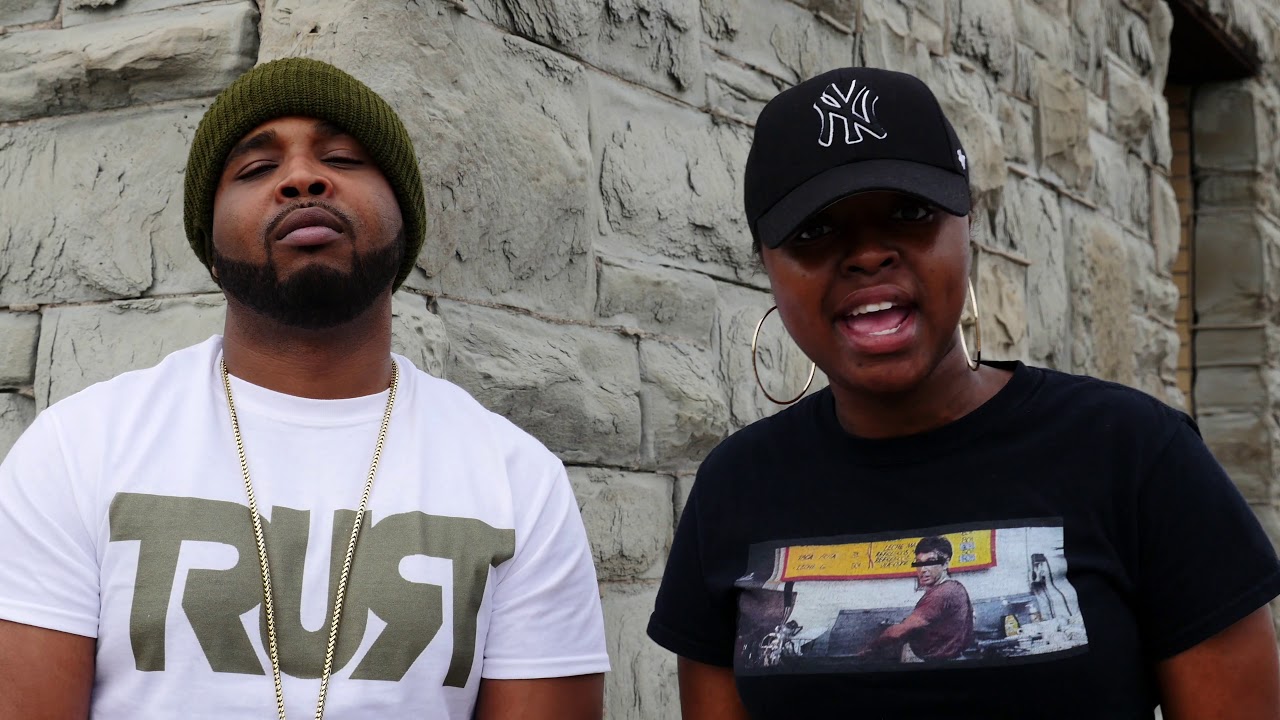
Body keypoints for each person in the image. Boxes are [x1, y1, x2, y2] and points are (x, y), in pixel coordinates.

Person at [647, 67, 1280, 718]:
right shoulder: (735, 487)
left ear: (967, 225)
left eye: (910, 213)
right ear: (765, 263)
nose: (868, 255)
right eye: (814, 230)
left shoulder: (1137, 454)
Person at [0, 58, 608, 719]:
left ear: (405, 225)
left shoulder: (519, 481)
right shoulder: (77, 449)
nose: (301, 178)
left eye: (342, 158)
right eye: (256, 169)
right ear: (209, 249)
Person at [859, 536, 973, 662]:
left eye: (930, 562)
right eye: (919, 563)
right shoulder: (955, 587)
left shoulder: (942, 593)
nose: (922, 570)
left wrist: (871, 648)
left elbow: (897, 632)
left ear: (945, 564)